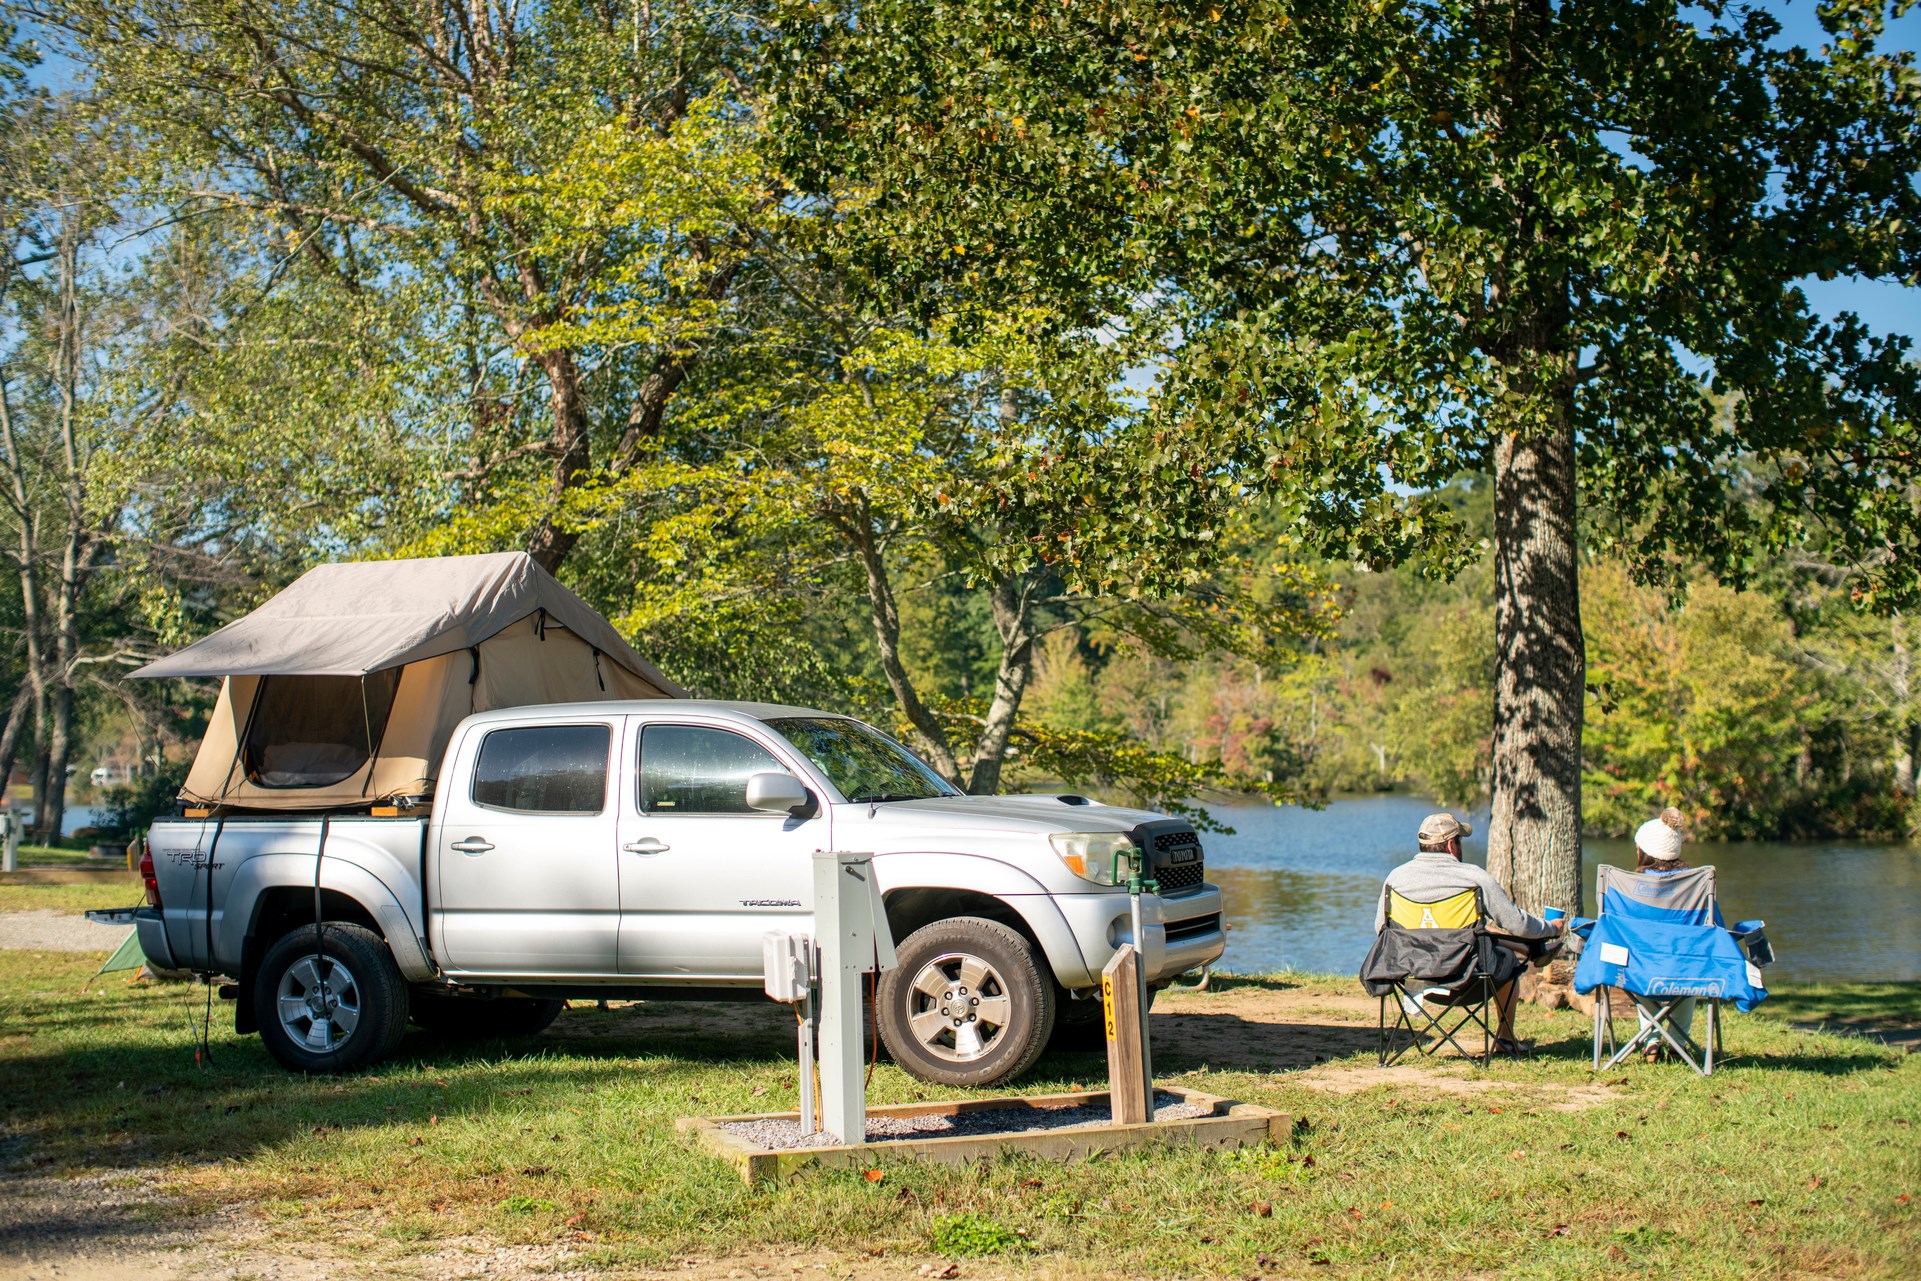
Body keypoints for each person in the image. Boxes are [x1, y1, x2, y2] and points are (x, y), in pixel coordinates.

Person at [1374, 813, 1567, 1053]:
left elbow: (1381, 928)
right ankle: (1505, 1038)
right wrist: (1550, 928)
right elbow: (1516, 923)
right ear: (1451, 845)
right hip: (1467, 979)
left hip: (1412, 976)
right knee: (1505, 959)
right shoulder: (1473, 878)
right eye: (1460, 841)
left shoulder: (1395, 879)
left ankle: (1532, 950)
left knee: (1479, 935)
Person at [1629, 807, 1696, 1055]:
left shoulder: (1628, 887)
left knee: (1636, 966)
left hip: (1639, 967)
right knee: (1690, 971)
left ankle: (1651, 1041)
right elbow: (1712, 925)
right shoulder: (1696, 885)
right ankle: (1678, 1044)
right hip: (1684, 968)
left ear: (1642, 852)